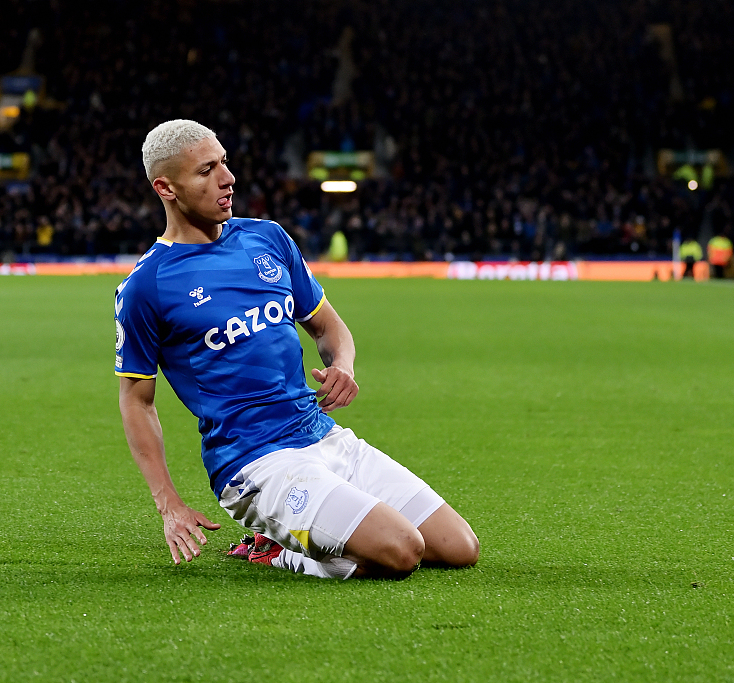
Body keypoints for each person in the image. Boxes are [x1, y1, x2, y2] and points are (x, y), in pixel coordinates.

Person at [115, 120, 479, 580]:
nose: (228, 178)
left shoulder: (266, 238)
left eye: (224, 162)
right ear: (166, 188)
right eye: (206, 171)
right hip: (256, 462)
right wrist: (168, 502)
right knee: (403, 551)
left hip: (320, 433)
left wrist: (343, 364)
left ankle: (305, 534)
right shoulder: (147, 286)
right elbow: (137, 400)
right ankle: (278, 551)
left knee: (460, 547)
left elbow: (328, 327)